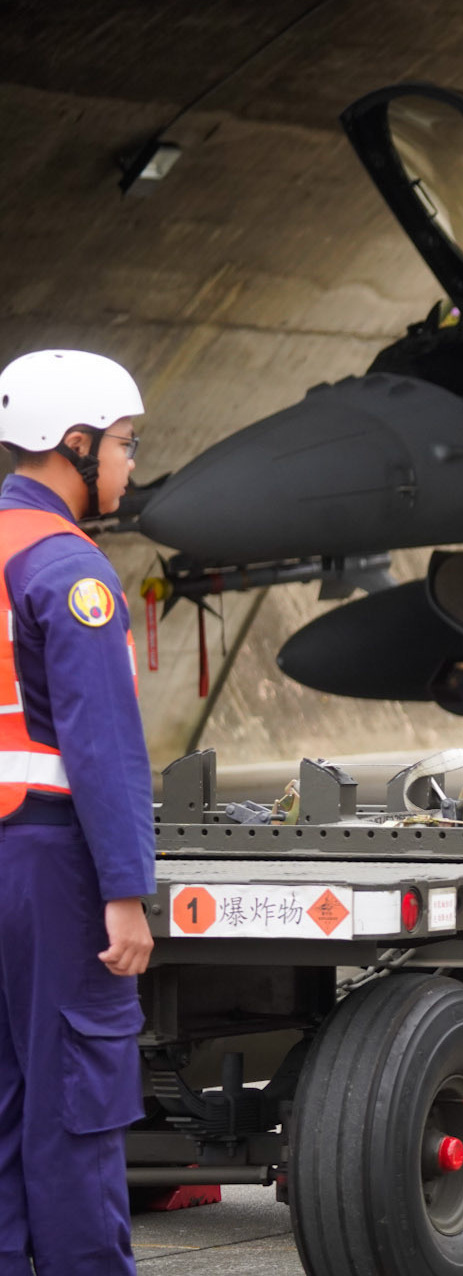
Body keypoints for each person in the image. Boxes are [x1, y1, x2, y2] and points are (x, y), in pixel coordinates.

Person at [0, 349, 155, 1272]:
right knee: (76, 1101)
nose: (131, 464)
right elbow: (103, 750)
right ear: (77, 444)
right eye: (126, 444)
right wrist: (127, 892)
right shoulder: (70, 571)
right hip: (51, 866)